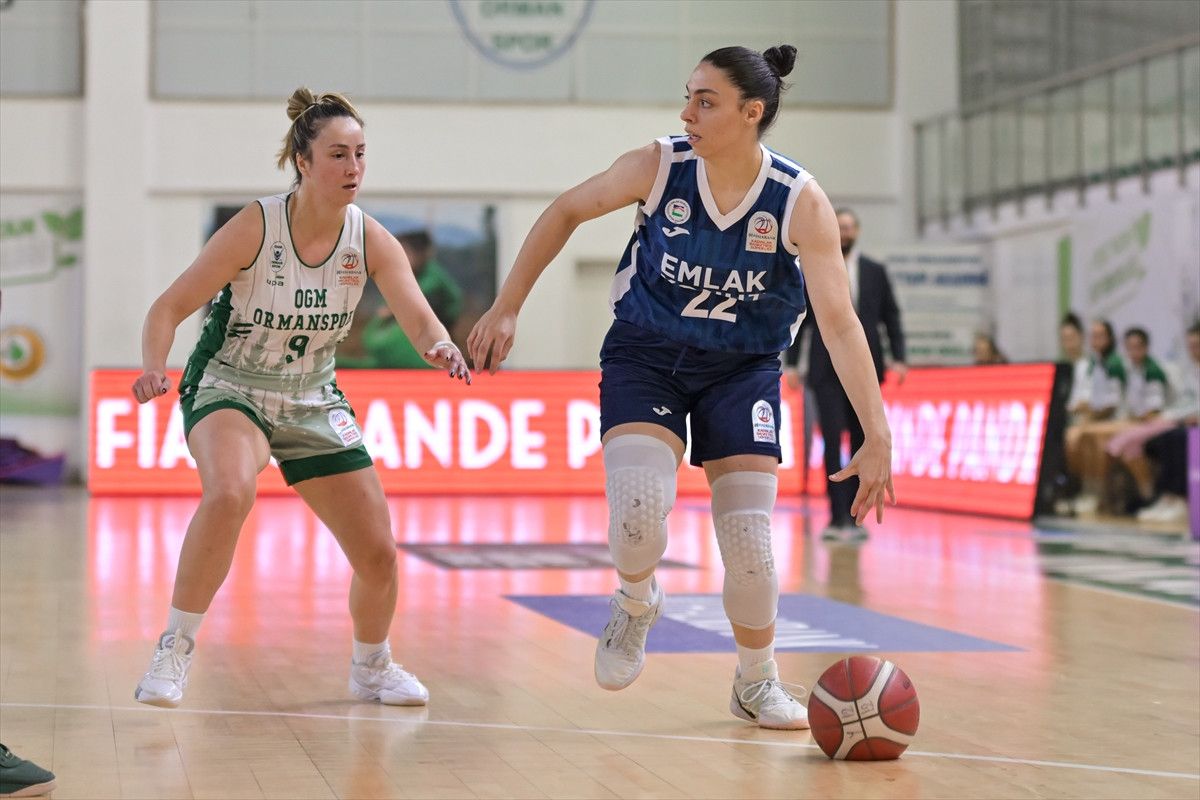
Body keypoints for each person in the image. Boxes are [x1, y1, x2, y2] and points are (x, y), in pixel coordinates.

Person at [467, 45, 894, 730]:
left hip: (743, 368)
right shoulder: (659, 165)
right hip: (647, 354)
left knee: (750, 545)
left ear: (751, 113)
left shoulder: (797, 201)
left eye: (706, 101)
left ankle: (756, 681)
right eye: (688, 96)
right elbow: (566, 210)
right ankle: (636, 600)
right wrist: (508, 304)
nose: (687, 112)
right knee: (638, 513)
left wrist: (878, 432)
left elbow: (840, 324)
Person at [130, 88, 470, 709]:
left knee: (379, 553)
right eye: (338, 155)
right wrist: (155, 366)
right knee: (230, 491)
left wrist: (441, 345)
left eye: (360, 154)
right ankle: (174, 648)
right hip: (231, 384)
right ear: (303, 162)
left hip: (313, 396)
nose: (353, 167)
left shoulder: (370, 240)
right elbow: (168, 307)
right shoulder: (256, 226)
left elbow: (420, 319)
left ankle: (372, 667)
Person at [784, 207, 906, 542]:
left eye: (850, 227)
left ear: (858, 231)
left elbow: (891, 316)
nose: (846, 232)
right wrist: (792, 363)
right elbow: (802, 319)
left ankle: (855, 518)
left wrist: (899, 357)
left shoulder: (875, 271)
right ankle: (837, 517)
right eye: (840, 227)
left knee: (863, 441)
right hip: (825, 370)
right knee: (832, 440)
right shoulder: (816, 267)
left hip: (866, 369)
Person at [1112, 322, 1198, 517]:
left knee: (1177, 437)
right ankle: (1166, 497)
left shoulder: (1154, 371)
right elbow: (1184, 402)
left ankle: (1180, 498)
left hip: (1190, 424)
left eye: (1197, 346)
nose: (1194, 351)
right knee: (1167, 438)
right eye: (1191, 346)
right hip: (1182, 420)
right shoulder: (1189, 371)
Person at [351, 229, 466, 368]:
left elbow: (414, 297)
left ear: (420, 254)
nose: (399, 257)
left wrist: (392, 309)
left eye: (404, 252)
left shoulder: (432, 276)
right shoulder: (404, 274)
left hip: (434, 330)